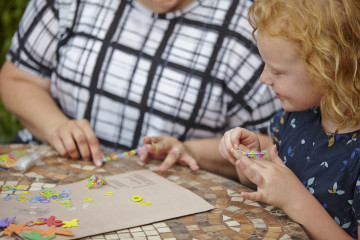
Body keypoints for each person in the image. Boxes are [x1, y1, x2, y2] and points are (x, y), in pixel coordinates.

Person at [0, 0, 280, 179]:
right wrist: (55, 126)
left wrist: (190, 151)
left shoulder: (249, 25)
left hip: (168, 202)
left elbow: (273, 146)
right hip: (47, 179)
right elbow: (16, 80)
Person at [219, 0, 360, 238]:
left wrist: (294, 199)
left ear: (330, 68)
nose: (265, 77)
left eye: (278, 71)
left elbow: (288, 193)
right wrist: (251, 157)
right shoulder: (296, 118)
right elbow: (266, 185)